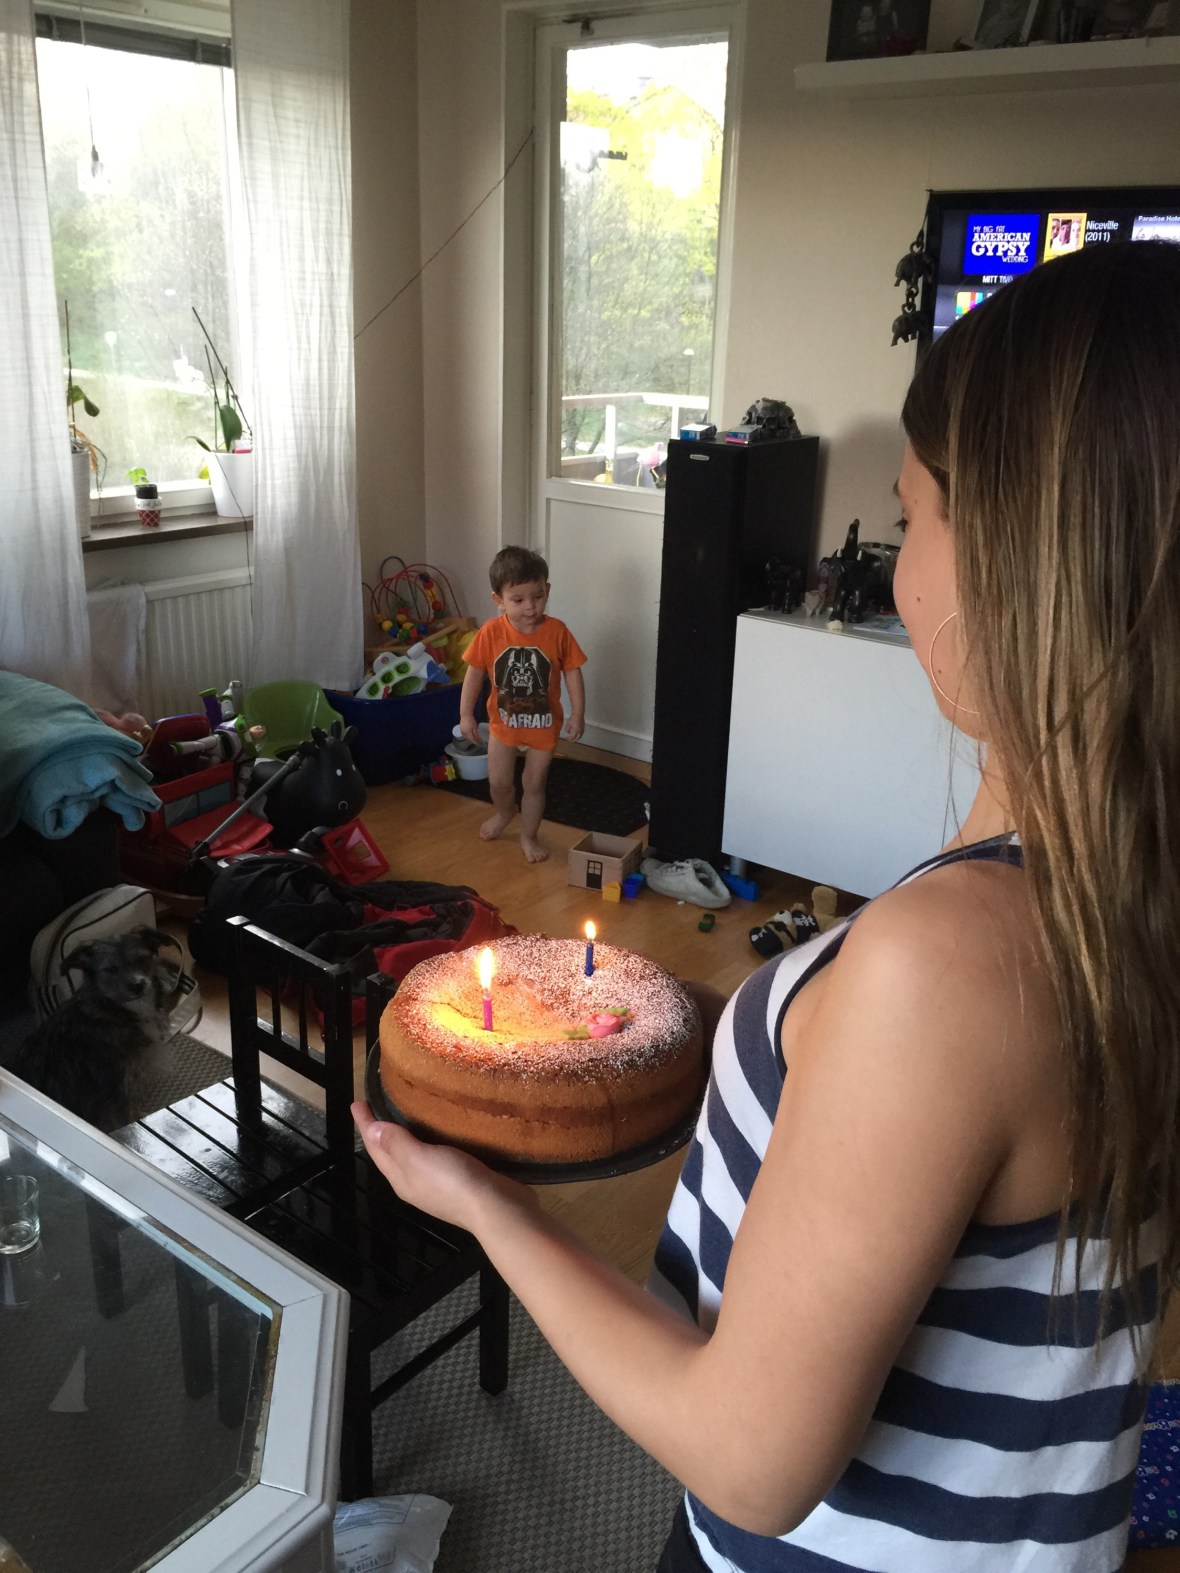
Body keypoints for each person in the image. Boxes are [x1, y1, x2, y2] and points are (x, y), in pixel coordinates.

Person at [354, 240, 1180, 1568]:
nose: (899, 569)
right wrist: (757, 1019)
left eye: (912, 517)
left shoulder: (951, 964)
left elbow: (749, 1458)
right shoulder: (1108, 892)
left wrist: (488, 1208)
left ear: (1016, 557)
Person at [459, 545, 587, 864]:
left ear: (547, 590)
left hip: (544, 725)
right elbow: (474, 674)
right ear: (499, 600)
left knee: (534, 783)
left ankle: (529, 835)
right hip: (503, 725)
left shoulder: (557, 632)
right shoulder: (490, 632)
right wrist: (465, 714)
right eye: (518, 600)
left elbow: (573, 671)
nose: (530, 607)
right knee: (500, 782)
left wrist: (578, 713)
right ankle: (505, 813)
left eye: (538, 596)